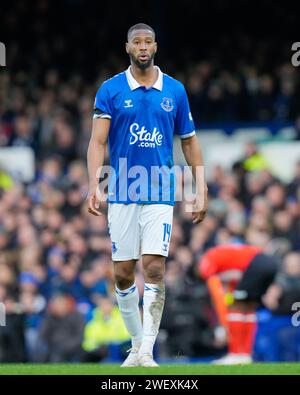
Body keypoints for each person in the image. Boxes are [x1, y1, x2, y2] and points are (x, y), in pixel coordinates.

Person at [86, 23, 208, 367]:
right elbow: (96, 142)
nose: (143, 46)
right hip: (123, 191)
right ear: (127, 47)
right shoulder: (110, 90)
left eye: (148, 41)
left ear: (155, 46)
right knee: (123, 273)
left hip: (159, 190)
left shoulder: (175, 90)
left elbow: (189, 140)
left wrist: (201, 186)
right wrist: (93, 183)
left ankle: (147, 351)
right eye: (137, 41)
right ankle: (136, 345)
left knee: (154, 267)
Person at [198, 244, 278, 364]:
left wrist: (224, 325)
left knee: (236, 306)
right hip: (269, 262)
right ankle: (245, 355)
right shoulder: (222, 254)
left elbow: (218, 295)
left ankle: (235, 354)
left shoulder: (205, 264)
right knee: (249, 308)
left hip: (255, 264)